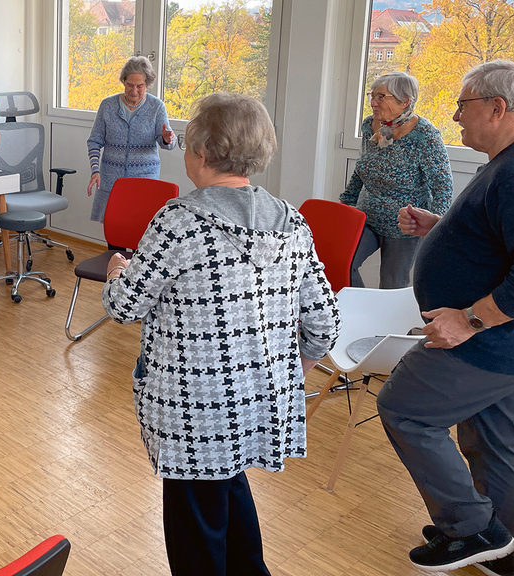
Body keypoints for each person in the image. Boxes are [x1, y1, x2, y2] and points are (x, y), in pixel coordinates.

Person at [101, 92, 339, 576]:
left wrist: (114, 273)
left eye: (188, 146)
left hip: (195, 407)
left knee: (194, 518)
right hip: (260, 397)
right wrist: (294, 371)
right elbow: (324, 322)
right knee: (227, 486)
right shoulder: (292, 220)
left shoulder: (178, 222)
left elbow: (125, 307)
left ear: (204, 153)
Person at [379, 60, 514, 575]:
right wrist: (443, 228)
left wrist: (470, 320)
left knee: (405, 409)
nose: (454, 116)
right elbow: (503, 239)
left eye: (463, 105)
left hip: (489, 342)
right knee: (494, 441)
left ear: (498, 108)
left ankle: (474, 528)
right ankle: (500, 551)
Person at [340, 71, 453, 289]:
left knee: (392, 285)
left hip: (404, 226)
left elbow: (443, 186)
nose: (373, 102)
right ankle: (360, 309)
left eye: (381, 96)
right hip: (366, 216)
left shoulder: (425, 135)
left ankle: (383, 321)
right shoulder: (371, 126)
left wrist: (435, 228)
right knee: (342, 263)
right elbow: (362, 169)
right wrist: (346, 203)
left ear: (405, 101)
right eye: (372, 95)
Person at [86, 56, 176, 230]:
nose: (134, 90)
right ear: (123, 81)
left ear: (147, 84)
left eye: (140, 86)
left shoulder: (156, 107)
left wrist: (166, 139)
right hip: (112, 179)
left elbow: (167, 142)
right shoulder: (108, 105)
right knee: (115, 230)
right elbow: (94, 141)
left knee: (140, 230)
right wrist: (95, 170)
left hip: (144, 179)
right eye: (130, 85)